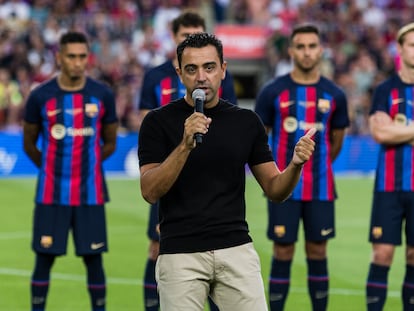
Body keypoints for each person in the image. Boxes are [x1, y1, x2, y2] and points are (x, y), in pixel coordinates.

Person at [138, 32, 316, 311]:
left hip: (235, 249)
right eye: (191, 69)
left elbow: (275, 190)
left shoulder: (246, 121)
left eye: (209, 67)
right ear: (179, 73)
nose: (201, 77)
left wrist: (295, 166)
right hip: (180, 254)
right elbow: (149, 191)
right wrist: (185, 145)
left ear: (223, 68)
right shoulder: (157, 122)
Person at [137, 10, 237, 311]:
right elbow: (145, 121)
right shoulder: (155, 77)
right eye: (185, 37)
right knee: (158, 244)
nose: (191, 40)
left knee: (216, 249)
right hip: (167, 168)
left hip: (206, 170)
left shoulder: (217, 78)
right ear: (175, 40)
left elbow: (226, 116)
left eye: (197, 34)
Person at [254, 24, 349, 311]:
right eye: (301, 46)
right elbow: (259, 140)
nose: (306, 52)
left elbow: (336, 142)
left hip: (320, 188)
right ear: (292, 51)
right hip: (283, 189)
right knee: (283, 250)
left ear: (320, 50)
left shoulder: (335, 94)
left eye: (312, 46)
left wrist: (317, 166)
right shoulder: (273, 91)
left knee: (318, 251)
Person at [23, 31, 118, 311]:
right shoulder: (40, 96)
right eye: (71, 56)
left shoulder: (102, 94)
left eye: (82, 56)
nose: (78, 63)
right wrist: (52, 168)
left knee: (94, 260)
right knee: (43, 259)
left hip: (91, 195)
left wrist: (87, 164)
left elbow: (110, 142)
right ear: (59, 58)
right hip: (51, 195)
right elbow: (29, 144)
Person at [365, 22, 414, 311]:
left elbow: (391, 131)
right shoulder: (385, 89)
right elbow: (380, 133)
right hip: (389, 186)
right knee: (382, 253)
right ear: (401, 49)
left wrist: (402, 130)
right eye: (412, 44)